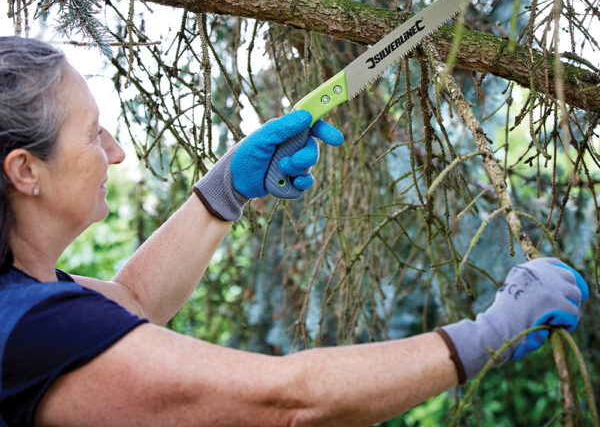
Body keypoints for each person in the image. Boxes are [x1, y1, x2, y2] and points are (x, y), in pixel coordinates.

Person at [0, 35, 589, 427]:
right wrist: (492, 332)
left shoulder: (31, 299)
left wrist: (226, 187)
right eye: (94, 134)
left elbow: (131, 303)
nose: (117, 151)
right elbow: (288, 400)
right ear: (26, 170)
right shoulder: (34, 329)